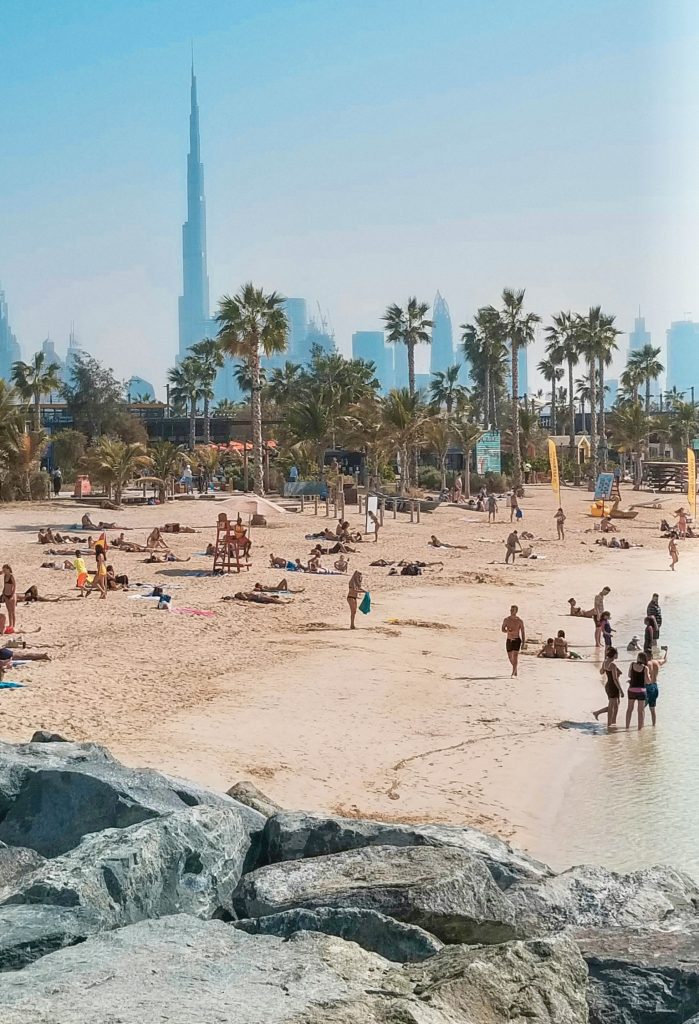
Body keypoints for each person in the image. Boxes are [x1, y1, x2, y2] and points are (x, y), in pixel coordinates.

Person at [593, 647, 624, 725]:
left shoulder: (606, 662)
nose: (618, 655)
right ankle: (609, 724)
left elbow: (601, 672)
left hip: (608, 685)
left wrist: (607, 668)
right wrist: (621, 690)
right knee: (612, 707)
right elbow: (615, 679)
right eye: (617, 654)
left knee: (616, 705)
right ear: (614, 655)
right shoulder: (612, 665)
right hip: (613, 686)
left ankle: (613, 722)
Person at [626, 651, 649, 730]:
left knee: (629, 709)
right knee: (640, 711)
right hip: (641, 691)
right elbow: (648, 681)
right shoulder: (645, 668)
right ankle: (640, 729)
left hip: (631, 689)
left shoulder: (632, 664)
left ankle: (627, 727)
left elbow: (629, 675)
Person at [645, 646, 668, 727]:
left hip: (648, 687)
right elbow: (665, 660)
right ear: (652, 655)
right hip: (655, 686)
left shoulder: (646, 664)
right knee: (652, 709)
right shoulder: (657, 662)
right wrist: (666, 651)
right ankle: (653, 726)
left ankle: (641, 727)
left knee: (641, 709)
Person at [501, 605, 526, 677]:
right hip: (509, 640)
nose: (511, 611)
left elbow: (523, 632)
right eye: (511, 610)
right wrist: (507, 631)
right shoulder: (506, 620)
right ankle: (515, 669)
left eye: (513, 610)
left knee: (515, 656)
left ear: (516, 611)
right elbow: (502, 629)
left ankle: (513, 673)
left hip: (517, 640)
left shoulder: (519, 621)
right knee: (510, 657)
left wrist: (523, 642)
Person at [1, 565, 16, 634]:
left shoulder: (11, 576)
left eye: (4, 569)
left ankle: (13, 625)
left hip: (11, 595)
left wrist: (12, 594)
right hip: (6, 594)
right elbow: (4, 585)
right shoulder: (5, 576)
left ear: (8, 569)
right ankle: (10, 625)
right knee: (9, 611)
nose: (3, 571)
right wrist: (3, 593)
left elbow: (14, 585)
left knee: (13, 611)